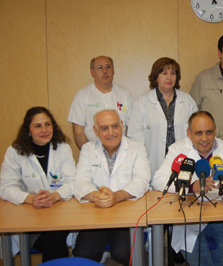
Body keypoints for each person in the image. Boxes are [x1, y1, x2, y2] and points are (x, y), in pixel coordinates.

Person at [153, 111, 223, 266]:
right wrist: (191, 187)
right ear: (189, 133)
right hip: (189, 218)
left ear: (215, 131)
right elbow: (158, 180)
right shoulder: (177, 150)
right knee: (197, 252)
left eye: (209, 132)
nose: (205, 138)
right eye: (198, 133)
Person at [73, 109, 151, 265]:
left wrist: (117, 196)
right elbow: (80, 181)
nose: (111, 133)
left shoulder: (137, 148)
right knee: (83, 254)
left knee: (124, 253)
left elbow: (142, 180)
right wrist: (96, 196)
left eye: (115, 126)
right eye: (104, 128)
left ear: (122, 126)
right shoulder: (88, 150)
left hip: (126, 216)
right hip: (96, 215)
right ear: (95, 131)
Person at [0, 106, 75, 262]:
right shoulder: (15, 152)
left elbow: (73, 182)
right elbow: (5, 187)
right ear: (28, 130)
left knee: (56, 236)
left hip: (60, 216)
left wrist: (55, 196)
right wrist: (30, 198)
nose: (44, 130)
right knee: (54, 240)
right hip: (29, 220)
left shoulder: (63, 149)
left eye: (48, 124)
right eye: (38, 126)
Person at [128, 57, 197, 178]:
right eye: (164, 73)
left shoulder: (187, 100)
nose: (169, 77)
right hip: (152, 163)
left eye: (173, 73)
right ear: (156, 77)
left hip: (183, 161)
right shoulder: (142, 102)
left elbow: (196, 131)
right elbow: (135, 138)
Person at [68, 55, 133, 149]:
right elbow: (78, 132)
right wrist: (90, 154)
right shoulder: (82, 96)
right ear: (92, 72)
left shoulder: (125, 95)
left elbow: (131, 128)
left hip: (122, 152)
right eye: (100, 68)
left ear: (113, 70)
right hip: (93, 152)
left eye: (108, 67)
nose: (105, 71)